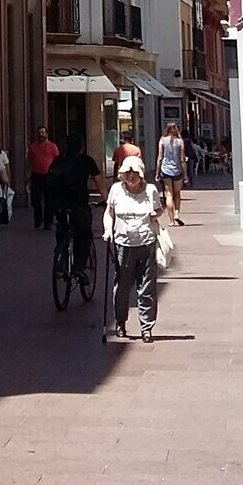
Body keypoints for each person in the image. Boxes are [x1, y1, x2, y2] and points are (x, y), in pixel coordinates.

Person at [103, 152, 163, 342]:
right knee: (122, 287)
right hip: (123, 245)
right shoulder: (116, 190)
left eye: (134, 172)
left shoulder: (151, 190)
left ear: (141, 174)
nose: (130, 176)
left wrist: (155, 215)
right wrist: (107, 230)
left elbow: (159, 209)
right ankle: (120, 322)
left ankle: (146, 326)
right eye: (127, 172)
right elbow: (109, 213)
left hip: (147, 243)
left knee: (146, 287)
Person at [45, 131, 100, 262]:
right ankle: (79, 267)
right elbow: (100, 184)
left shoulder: (58, 160)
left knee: (62, 226)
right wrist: (107, 200)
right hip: (79, 203)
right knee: (84, 233)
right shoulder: (87, 161)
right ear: (82, 146)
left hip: (59, 203)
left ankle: (61, 252)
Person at [27, 124, 59, 229]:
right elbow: (29, 162)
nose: (41, 134)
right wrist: (27, 176)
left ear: (46, 134)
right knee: (35, 199)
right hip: (36, 175)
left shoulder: (52, 146)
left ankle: (48, 222)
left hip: (49, 176)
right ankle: (38, 219)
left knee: (49, 200)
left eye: (42, 132)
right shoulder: (32, 147)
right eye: (39, 132)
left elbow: (57, 161)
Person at [156, 121, 188, 224]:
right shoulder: (180, 142)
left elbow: (160, 157)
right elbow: (182, 159)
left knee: (168, 194)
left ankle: (171, 221)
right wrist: (185, 174)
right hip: (177, 170)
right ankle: (177, 213)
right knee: (177, 193)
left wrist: (157, 172)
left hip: (165, 170)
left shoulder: (162, 141)